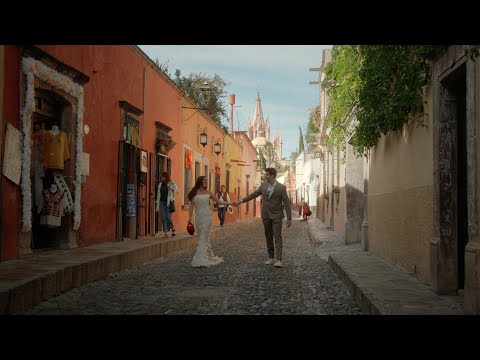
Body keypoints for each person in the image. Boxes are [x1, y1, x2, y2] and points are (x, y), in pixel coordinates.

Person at [233, 167, 292, 267]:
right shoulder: (263, 186)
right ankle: (270, 257)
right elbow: (254, 194)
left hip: (277, 215)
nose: (265, 176)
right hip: (266, 215)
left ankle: (279, 259)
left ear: (272, 176)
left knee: (277, 236)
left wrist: (289, 218)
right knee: (268, 236)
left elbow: (286, 202)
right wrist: (241, 201)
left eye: (267, 175)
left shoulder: (281, 188)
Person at [188, 176, 231, 267]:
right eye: (205, 180)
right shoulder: (194, 193)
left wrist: (230, 203)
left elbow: (218, 201)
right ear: (200, 181)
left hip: (207, 218)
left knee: (204, 237)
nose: (206, 182)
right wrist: (189, 219)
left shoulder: (208, 193)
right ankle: (208, 256)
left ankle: (200, 258)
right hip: (198, 218)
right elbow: (191, 207)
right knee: (203, 237)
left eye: (207, 181)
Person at [156, 172, 179, 239]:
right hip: (162, 203)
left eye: (163, 176)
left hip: (169, 203)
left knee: (168, 218)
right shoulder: (160, 184)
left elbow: (177, 191)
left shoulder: (171, 183)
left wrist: (171, 188)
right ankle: (165, 233)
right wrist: (157, 203)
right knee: (163, 218)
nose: (161, 178)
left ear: (166, 177)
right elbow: (158, 194)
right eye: (161, 177)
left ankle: (173, 228)